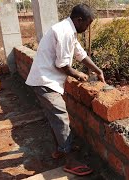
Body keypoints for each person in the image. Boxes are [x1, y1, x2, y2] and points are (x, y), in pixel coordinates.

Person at [25, 4, 105, 176]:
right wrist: (78, 75)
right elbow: (61, 65)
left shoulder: (69, 29)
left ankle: (61, 149)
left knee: (54, 117)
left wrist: (98, 70)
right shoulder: (65, 32)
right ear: (79, 20)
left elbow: (80, 54)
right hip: (45, 81)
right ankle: (70, 161)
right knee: (61, 118)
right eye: (88, 24)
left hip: (45, 80)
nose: (88, 27)